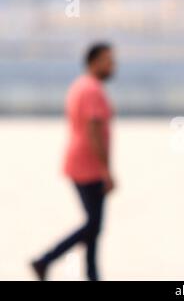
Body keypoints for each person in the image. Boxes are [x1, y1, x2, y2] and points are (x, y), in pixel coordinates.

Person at [31, 43, 116, 281]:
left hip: (80, 163)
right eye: (108, 60)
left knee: (93, 224)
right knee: (93, 225)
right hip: (88, 166)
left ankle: (90, 273)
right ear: (94, 61)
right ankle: (46, 259)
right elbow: (93, 131)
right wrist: (106, 170)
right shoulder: (91, 90)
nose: (112, 66)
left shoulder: (82, 86)